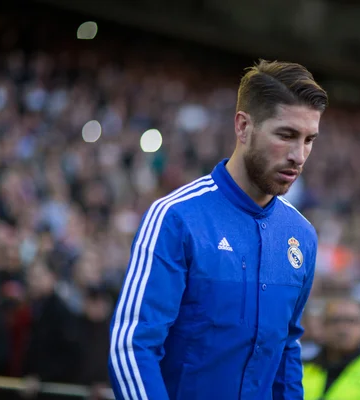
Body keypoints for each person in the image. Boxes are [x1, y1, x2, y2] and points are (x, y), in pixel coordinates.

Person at [108, 59, 328, 400]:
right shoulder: (175, 217)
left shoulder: (302, 236)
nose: (299, 155)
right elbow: (131, 347)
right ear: (243, 127)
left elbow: (286, 351)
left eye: (309, 139)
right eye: (286, 135)